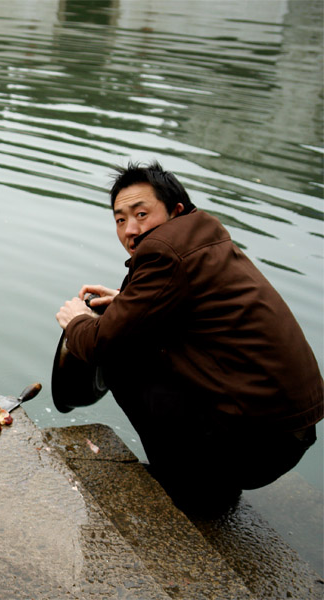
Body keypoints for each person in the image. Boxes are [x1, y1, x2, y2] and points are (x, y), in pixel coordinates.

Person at [55, 161, 323, 514]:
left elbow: (103, 344)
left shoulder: (163, 250)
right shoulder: (203, 235)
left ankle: (191, 490)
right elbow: (199, 316)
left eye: (141, 214)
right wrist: (127, 304)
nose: (130, 230)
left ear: (175, 210)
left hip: (257, 446)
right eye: (120, 219)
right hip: (287, 434)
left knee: (125, 357)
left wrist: (76, 322)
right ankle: (211, 481)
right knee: (139, 338)